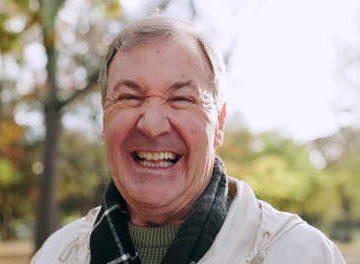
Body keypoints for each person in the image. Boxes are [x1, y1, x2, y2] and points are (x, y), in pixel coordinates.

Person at [31, 14, 345, 264]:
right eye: (129, 97)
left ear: (219, 122)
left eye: (181, 99)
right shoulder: (54, 256)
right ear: (104, 117)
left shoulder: (302, 254)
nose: (152, 125)